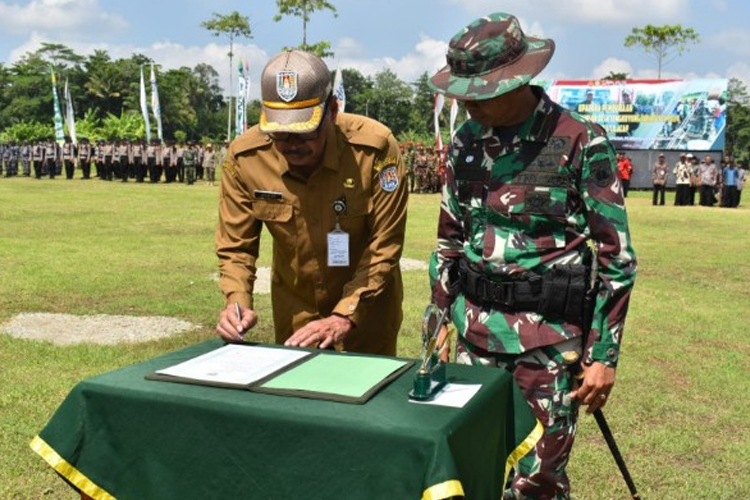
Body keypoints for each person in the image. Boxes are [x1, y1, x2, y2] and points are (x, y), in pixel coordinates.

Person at [427, 13, 637, 500]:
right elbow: (449, 241)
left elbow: (616, 258)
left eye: (477, 93)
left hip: (546, 349)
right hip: (472, 341)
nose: (465, 102)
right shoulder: (466, 144)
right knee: (467, 470)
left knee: (535, 482)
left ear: (518, 80)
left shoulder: (579, 140)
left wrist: (602, 356)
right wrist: (440, 323)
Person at [215, 49, 408, 356]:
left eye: (303, 133)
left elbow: (384, 245)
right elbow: (237, 247)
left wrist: (345, 314)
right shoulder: (246, 158)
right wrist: (236, 301)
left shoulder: (374, 149)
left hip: (367, 314)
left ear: (332, 110)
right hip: (296, 315)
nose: (290, 145)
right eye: (279, 133)